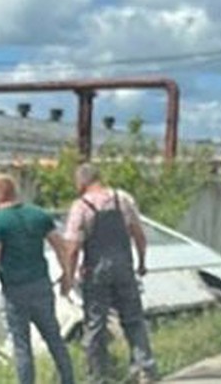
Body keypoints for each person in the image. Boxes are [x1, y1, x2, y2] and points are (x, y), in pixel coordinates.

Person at [62, 163, 158, 383]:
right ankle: (145, 370)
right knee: (133, 319)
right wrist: (141, 263)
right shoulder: (122, 199)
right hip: (124, 266)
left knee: (95, 324)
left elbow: (73, 247)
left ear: (82, 182)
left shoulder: (80, 207)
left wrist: (69, 274)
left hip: (96, 271)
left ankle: (98, 376)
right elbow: (139, 235)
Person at [0, 174, 76, 384]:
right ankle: (68, 380)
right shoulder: (39, 215)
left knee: (22, 345)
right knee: (54, 337)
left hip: (15, 291)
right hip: (41, 286)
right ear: (14, 191)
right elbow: (62, 246)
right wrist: (67, 276)